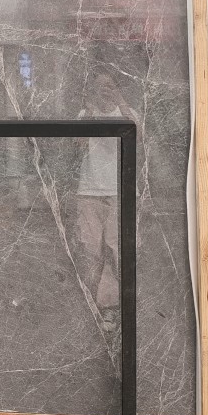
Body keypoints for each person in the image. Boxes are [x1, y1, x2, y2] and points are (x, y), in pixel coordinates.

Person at [75, 74, 136, 333]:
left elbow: (141, 139)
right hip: (88, 191)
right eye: (100, 86)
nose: (105, 91)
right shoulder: (85, 114)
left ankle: (109, 307)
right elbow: (77, 146)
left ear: (118, 88)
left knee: (114, 251)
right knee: (90, 250)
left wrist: (121, 103)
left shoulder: (127, 113)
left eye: (110, 86)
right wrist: (89, 114)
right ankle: (92, 303)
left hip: (118, 192)